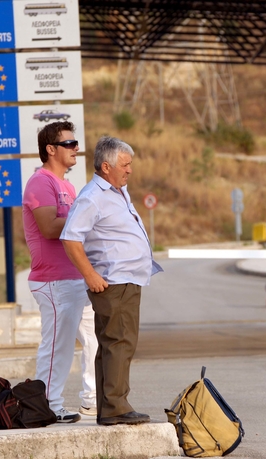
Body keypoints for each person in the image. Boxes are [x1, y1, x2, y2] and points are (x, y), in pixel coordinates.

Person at [61, 136, 163, 426]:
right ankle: (117, 406)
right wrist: (90, 275)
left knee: (112, 344)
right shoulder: (93, 196)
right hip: (113, 282)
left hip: (126, 280)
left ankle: (109, 407)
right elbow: (70, 238)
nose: (130, 170)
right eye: (125, 165)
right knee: (120, 342)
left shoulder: (117, 191)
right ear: (106, 166)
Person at [22, 121, 98, 423]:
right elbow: (50, 227)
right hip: (53, 280)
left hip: (75, 277)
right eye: (69, 143)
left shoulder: (67, 185)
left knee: (95, 340)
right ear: (50, 149)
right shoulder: (41, 182)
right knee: (57, 345)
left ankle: (92, 400)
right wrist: (86, 220)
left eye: (75, 143)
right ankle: (48, 405)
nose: (75, 148)